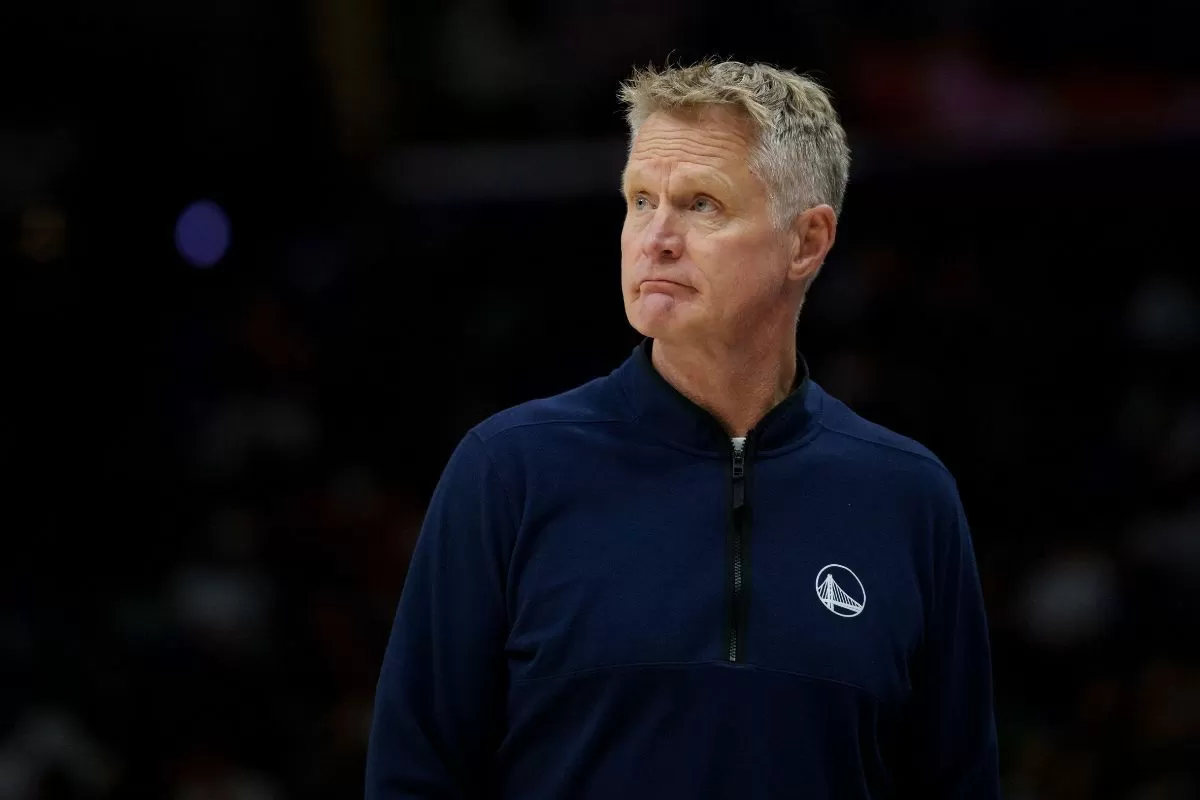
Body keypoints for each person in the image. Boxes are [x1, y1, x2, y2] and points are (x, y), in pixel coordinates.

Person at [365, 58, 1001, 799]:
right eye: (641, 200)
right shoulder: (508, 469)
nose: (657, 237)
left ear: (807, 241)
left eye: (702, 204)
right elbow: (414, 776)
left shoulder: (909, 496)